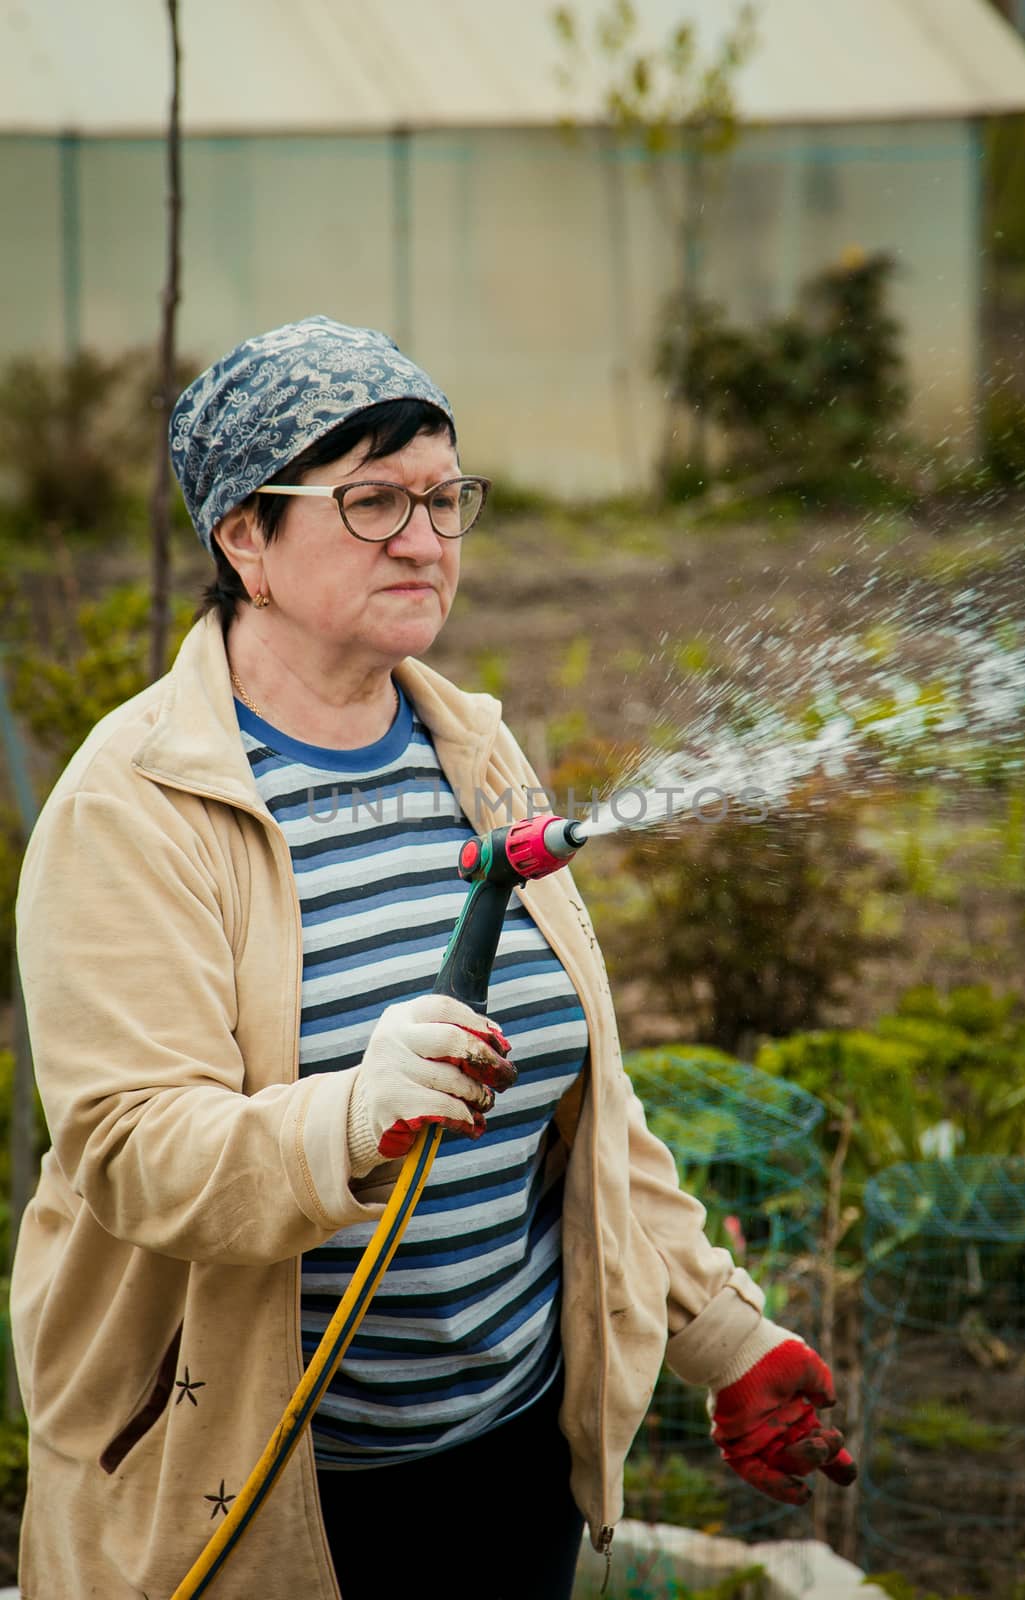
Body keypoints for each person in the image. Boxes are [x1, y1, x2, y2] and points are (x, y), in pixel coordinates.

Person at [11, 316, 854, 1600]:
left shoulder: (474, 757)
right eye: (370, 501)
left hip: (509, 1462)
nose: (424, 537)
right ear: (244, 535)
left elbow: (581, 1122)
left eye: (443, 496)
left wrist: (723, 1333)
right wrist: (352, 1110)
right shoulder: (132, 805)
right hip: (262, 1486)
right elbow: (127, 1147)